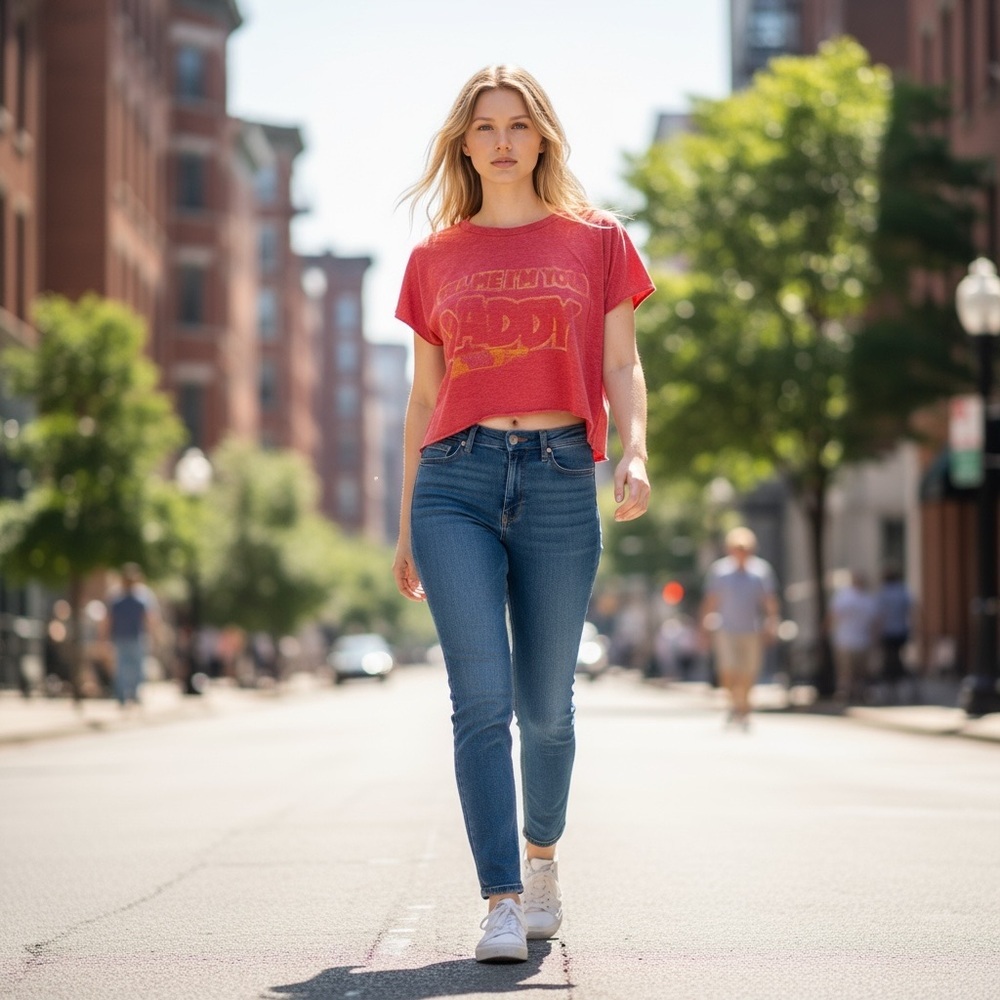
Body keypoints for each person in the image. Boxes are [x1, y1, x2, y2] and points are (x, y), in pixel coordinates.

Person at [392, 65, 653, 963]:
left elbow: (622, 364)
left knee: (547, 712)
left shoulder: (599, 239)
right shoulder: (434, 258)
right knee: (480, 704)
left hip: (555, 476)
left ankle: (543, 860)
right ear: (464, 144)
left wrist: (635, 447)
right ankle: (500, 898)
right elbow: (424, 398)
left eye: (518, 124)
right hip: (454, 482)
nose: (501, 140)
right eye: (484, 126)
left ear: (542, 137)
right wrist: (403, 524)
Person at [698, 527, 779, 729]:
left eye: (745, 548)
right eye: (737, 548)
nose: (741, 552)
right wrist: (703, 628)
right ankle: (734, 703)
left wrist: (772, 622)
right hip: (726, 630)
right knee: (728, 670)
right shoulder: (720, 571)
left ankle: (744, 705)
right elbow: (711, 601)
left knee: (749, 671)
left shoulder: (761, 571)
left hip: (752, 630)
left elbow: (769, 600)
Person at [102, 563, 158, 708]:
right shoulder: (139, 598)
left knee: (124, 668)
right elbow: (149, 619)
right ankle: (131, 695)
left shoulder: (117, 599)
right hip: (132, 637)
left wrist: (105, 637)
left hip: (124, 637)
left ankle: (124, 697)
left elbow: (108, 621)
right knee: (134, 668)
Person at [828, 570, 878, 704]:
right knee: (859, 673)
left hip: (845, 640)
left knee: (846, 672)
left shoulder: (844, 597)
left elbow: (833, 616)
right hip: (861, 641)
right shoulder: (867, 599)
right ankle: (855, 694)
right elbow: (875, 623)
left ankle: (846, 694)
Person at [874, 566, 917, 703]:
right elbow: (913, 610)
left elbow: (880, 615)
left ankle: (892, 690)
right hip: (901, 631)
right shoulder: (902, 591)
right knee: (898, 659)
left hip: (888, 632)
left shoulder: (884, 593)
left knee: (890, 661)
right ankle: (902, 688)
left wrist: (876, 633)